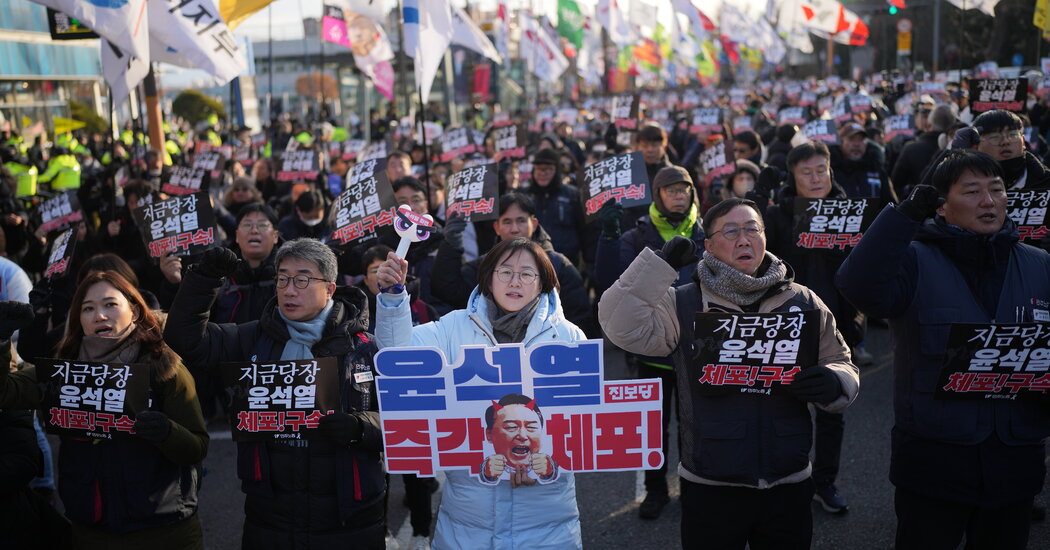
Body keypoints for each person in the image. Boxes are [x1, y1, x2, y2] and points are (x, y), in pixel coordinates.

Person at [598, 198, 859, 548]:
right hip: (710, 483)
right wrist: (658, 266)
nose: (744, 239)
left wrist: (835, 380)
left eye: (753, 229)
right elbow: (618, 325)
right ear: (708, 245)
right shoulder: (683, 301)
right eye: (731, 231)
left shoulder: (802, 300)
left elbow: (842, 360)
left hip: (789, 479)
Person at [836, 149, 1050, 549]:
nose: (988, 201)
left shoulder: (1039, 264)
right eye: (971, 191)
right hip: (934, 463)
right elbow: (858, 285)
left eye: (997, 189)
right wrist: (905, 214)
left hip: (1015, 462)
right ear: (942, 206)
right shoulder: (913, 259)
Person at [164, 239, 386, 549]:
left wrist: (361, 427)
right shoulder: (252, 336)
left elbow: (401, 420)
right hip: (270, 517)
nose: (289, 289)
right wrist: (203, 280)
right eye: (282, 278)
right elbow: (183, 340)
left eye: (302, 279)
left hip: (349, 516)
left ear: (330, 288)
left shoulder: (363, 346)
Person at [374, 237, 585, 550]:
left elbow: (582, 425)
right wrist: (392, 299)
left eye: (527, 273)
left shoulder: (567, 336)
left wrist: (548, 466)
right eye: (505, 271)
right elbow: (396, 357)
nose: (515, 281)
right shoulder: (453, 327)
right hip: (468, 519)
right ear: (488, 277)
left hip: (547, 520)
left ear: (542, 282)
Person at [0, 271, 208, 549]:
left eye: (110, 304)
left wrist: (167, 432)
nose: (100, 315)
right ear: (78, 320)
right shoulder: (61, 373)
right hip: (91, 534)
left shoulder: (164, 368)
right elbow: (6, 392)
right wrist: (2, 342)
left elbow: (197, 446)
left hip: (165, 533)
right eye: (88, 308)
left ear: (133, 311)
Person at [593, 165, 706, 519]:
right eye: (670, 189)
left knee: (696, 427)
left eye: (684, 189)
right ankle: (655, 491)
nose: (678, 195)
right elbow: (609, 284)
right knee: (653, 430)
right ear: (657, 195)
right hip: (650, 351)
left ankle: (694, 489)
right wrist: (608, 238)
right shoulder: (635, 235)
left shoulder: (707, 233)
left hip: (696, 350)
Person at [761, 142, 865, 514]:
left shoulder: (851, 210)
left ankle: (825, 482)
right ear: (793, 176)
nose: (816, 177)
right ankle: (782, 480)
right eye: (807, 172)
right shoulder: (776, 214)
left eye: (822, 169)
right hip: (784, 325)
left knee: (832, 407)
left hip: (838, 322)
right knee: (779, 407)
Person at [431, 192, 593, 333]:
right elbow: (449, 290)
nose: (514, 229)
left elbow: (580, 319)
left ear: (534, 224)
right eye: (507, 222)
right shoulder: (483, 266)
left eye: (521, 220)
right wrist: (451, 244)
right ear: (496, 227)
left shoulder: (558, 265)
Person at [524, 148, 588, 266]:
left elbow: (585, 231)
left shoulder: (572, 195)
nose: (543, 173)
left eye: (548, 169)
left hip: (567, 264)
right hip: (531, 263)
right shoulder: (524, 196)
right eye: (539, 169)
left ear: (557, 170)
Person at [478, 394, 559, 486]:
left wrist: (550, 473)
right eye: (511, 427)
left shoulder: (551, 464)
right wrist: (487, 475)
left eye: (531, 427)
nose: (522, 436)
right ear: (489, 435)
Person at [972, 109, 1050, 190]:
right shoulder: (963, 184)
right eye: (995, 137)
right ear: (976, 146)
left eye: (1013, 135)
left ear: (1023, 142)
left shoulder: (1046, 183)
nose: (1005, 142)